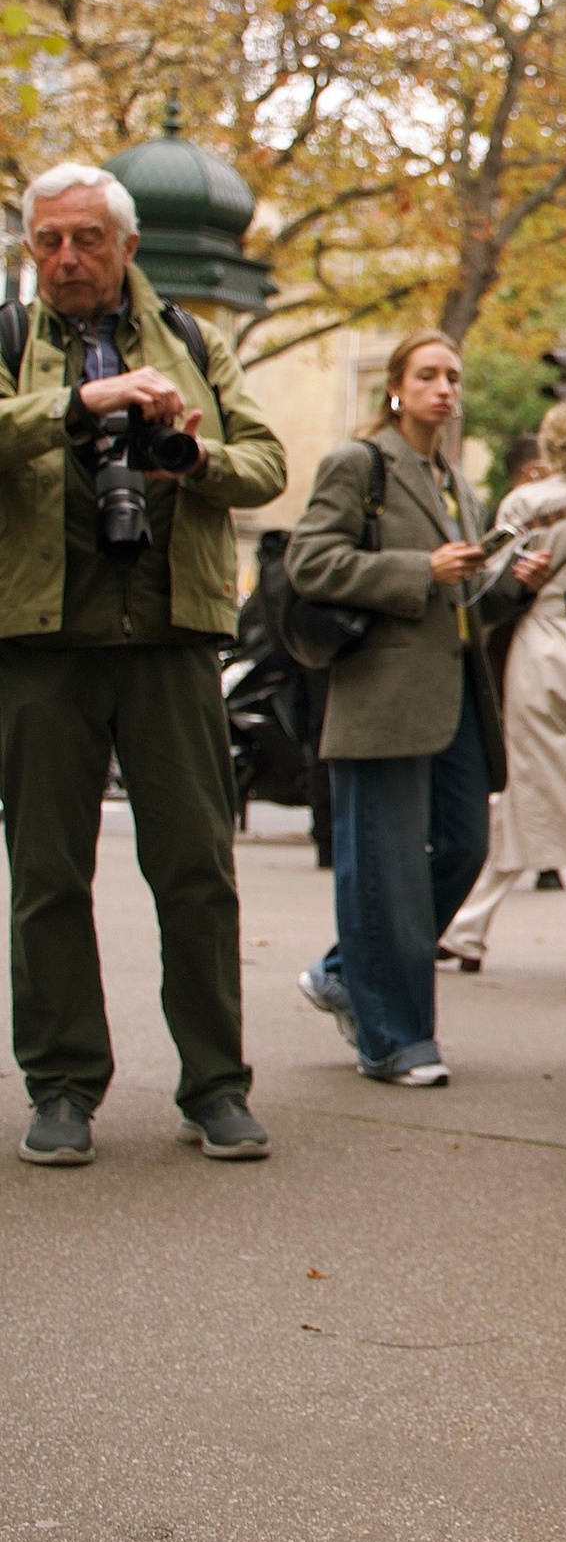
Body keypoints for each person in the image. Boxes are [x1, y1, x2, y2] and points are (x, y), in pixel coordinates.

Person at [1, 160, 287, 1166]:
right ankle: (63, 1085)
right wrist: (80, 406)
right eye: (46, 240)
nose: (64, 258)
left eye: (84, 239)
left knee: (198, 870)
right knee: (44, 876)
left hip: (171, 636)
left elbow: (267, 464)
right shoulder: (9, 339)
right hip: (40, 643)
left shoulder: (195, 340)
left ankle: (216, 1083)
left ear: (129, 246)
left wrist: (194, 454)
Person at [289, 332, 505, 1090]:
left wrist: (513, 576)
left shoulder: (456, 480)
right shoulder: (362, 463)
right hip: (380, 693)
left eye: (453, 375)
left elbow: (466, 589)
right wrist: (421, 568)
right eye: (427, 375)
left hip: (456, 694)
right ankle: (394, 1040)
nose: (443, 388)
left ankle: (347, 971)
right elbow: (309, 560)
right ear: (396, 388)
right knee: (383, 871)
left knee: (465, 845)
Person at [441, 399, 566, 985]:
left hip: (538, 653)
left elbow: (483, 579)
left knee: (563, 798)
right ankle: (462, 928)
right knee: (543, 793)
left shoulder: (524, 503)